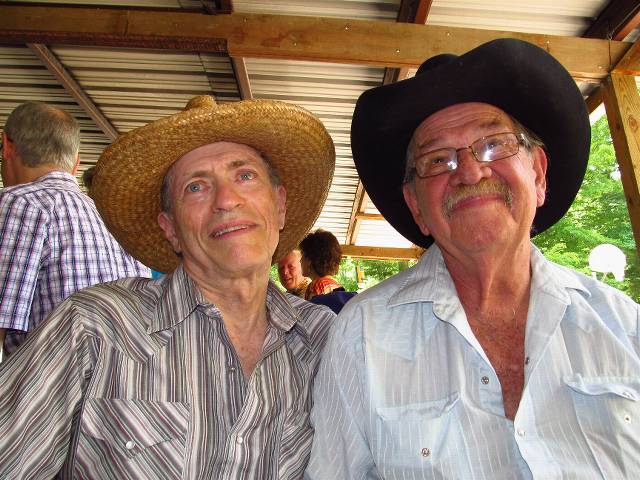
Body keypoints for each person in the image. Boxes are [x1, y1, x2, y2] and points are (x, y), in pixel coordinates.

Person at [306, 38, 640, 479]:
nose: (468, 171)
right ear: (416, 206)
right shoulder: (362, 335)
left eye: (493, 145)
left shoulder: (623, 326)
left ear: (538, 174)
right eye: (437, 159)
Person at [0, 95, 336, 479]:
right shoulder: (94, 326)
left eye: (244, 175)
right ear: (170, 227)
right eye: (196, 187)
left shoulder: (324, 340)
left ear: (279, 205)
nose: (226, 200)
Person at [0, 101, 150, 355]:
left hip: (51, 388)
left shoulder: (20, 203)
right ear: (76, 163)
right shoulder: (114, 218)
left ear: (6, 146)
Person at [299, 229, 343, 300]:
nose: (300, 261)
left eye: (302, 256)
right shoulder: (336, 285)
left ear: (310, 259)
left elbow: (313, 311)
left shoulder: (317, 286)